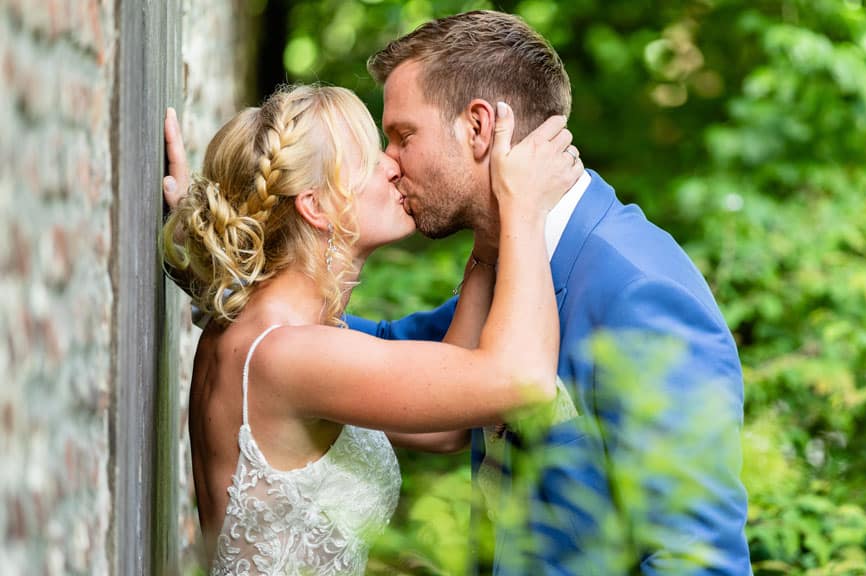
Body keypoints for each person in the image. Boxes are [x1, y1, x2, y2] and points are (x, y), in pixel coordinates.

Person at [350, 10, 752, 575]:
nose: (388, 164)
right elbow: (376, 353)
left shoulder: (640, 294)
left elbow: (696, 561)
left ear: (479, 127)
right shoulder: (512, 267)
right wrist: (228, 250)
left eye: (402, 136)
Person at [160, 84, 582, 575]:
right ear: (315, 207)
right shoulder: (290, 355)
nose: (392, 166)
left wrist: (488, 240)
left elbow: (447, 424)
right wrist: (523, 208)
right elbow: (523, 381)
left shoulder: (253, 326)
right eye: (368, 159)